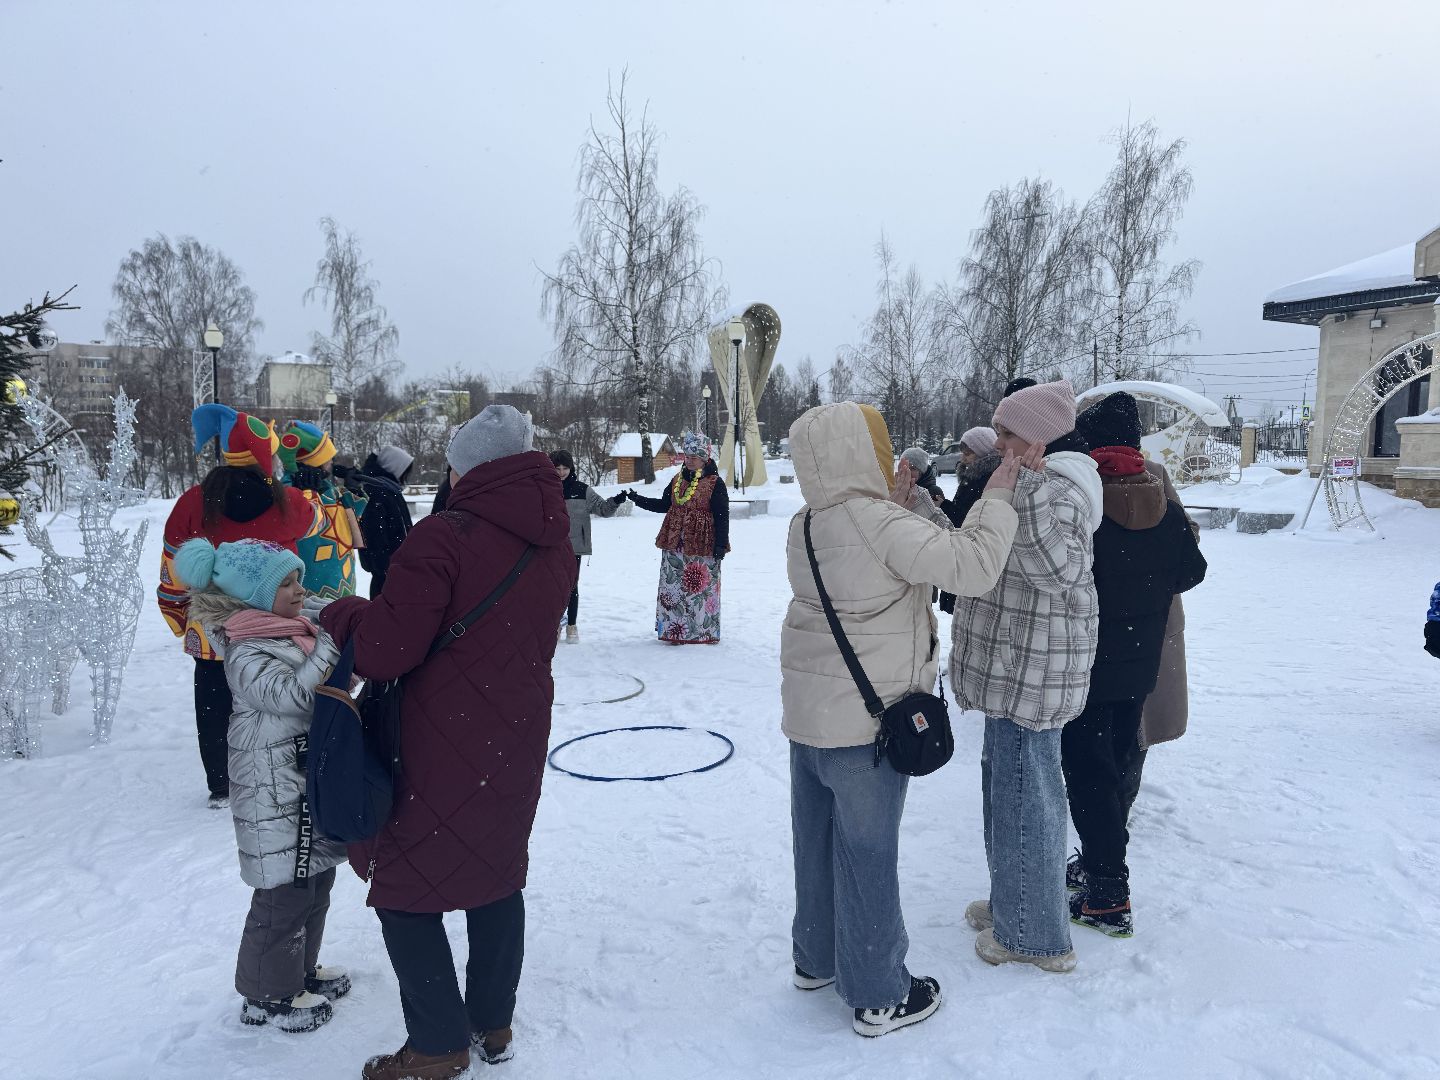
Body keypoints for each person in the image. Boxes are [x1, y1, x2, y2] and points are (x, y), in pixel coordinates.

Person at [318, 405, 575, 1080]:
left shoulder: (442, 539)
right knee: (494, 869)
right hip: (514, 731)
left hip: (436, 734)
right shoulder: (554, 541)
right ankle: (492, 1021)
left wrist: (343, 611)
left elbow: (383, 652)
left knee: (406, 886)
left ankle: (437, 1044)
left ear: (472, 468)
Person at [783, 401, 1022, 1038]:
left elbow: (863, 557)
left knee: (817, 846)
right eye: (876, 445)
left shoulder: (806, 522)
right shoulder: (879, 524)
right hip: (865, 726)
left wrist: (893, 504)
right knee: (867, 857)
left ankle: (817, 959)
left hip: (810, 721)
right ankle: (880, 993)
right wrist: (998, 491)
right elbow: (972, 566)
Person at [952, 379, 1102, 974]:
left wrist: (1027, 492)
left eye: (1008, 432)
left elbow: (1056, 571)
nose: (998, 441)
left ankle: (1037, 934)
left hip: (1031, 673)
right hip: (1010, 667)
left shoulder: (1061, 491)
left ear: (1037, 439)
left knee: (1028, 801)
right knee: (1005, 795)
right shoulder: (1026, 482)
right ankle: (1014, 900)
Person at [174, 537, 348, 1034]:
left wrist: (329, 622)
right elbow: (296, 696)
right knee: (282, 895)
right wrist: (332, 641)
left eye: (298, 579)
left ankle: (298, 972)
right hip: (272, 791)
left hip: (301, 781)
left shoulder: (295, 630)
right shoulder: (247, 647)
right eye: (286, 584)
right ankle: (265, 995)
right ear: (253, 596)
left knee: (315, 882)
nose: (299, 590)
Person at [1059, 392, 1207, 937]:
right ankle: (1101, 869)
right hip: (1141, 664)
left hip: (1088, 664)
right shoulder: (1160, 501)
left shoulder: (1085, 502)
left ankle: (1106, 892)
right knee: (1117, 765)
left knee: (1087, 772)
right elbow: (1191, 571)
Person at [158, 405, 321, 808]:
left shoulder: (193, 502)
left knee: (213, 701)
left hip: (213, 627)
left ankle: (221, 781)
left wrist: (181, 617)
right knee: (274, 698)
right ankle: (281, 771)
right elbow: (316, 522)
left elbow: (174, 570)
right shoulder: (288, 503)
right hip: (274, 623)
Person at [624, 432, 729, 645]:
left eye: (694, 457)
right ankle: (675, 631)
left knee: (699, 588)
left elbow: (722, 516)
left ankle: (702, 631)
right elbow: (665, 505)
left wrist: (720, 544)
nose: (689, 460)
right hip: (675, 542)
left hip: (702, 543)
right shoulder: (677, 479)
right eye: (687, 456)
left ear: (705, 458)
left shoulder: (715, 483)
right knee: (674, 587)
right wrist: (638, 499)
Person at [279, 420, 367, 600]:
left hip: (341, 580)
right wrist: (307, 494)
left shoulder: (327, 487)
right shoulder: (288, 490)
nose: (331, 463)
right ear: (315, 461)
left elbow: (347, 524)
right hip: (312, 586)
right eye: (328, 458)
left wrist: (354, 489)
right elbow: (302, 524)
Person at [551, 448, 625, 642]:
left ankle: (571, 626)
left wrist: (616, 501)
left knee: (571, 587)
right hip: (549, 546)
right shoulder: (545, 489)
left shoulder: (581, 490)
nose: (561, 473)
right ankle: (552, 625)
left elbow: (603, 509)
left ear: (571, 468)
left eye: (565, 468)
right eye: (557, 468)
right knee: (551, 586)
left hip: (574, 546)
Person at [348, 445, 414, 598]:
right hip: (387, 574)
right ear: (394, 468)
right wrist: (385, 566)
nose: (405, 476)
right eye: (405, 471)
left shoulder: (390, 489)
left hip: (395, 569)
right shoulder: (378, 491)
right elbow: (373, 535)